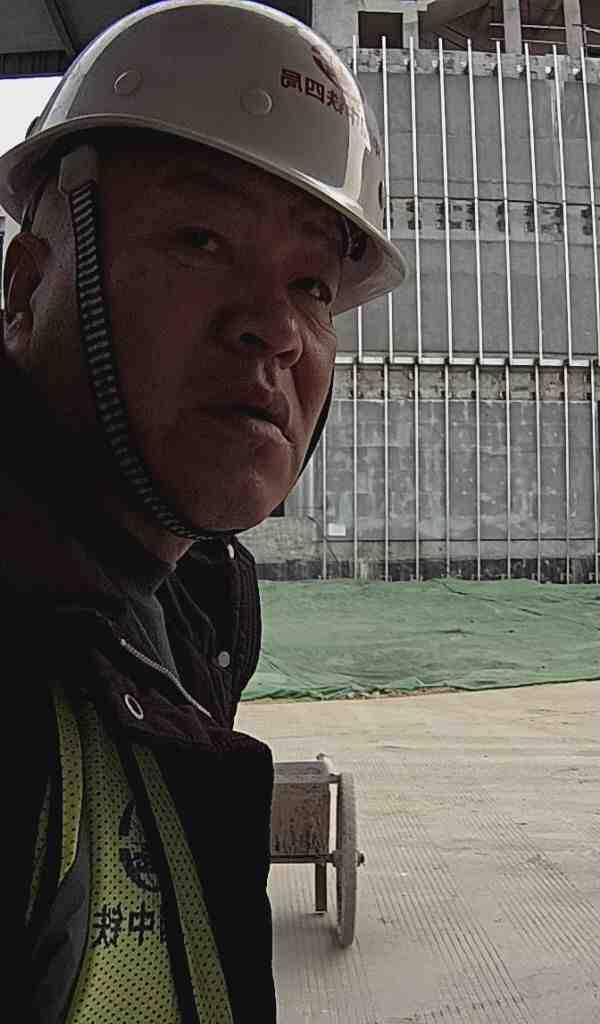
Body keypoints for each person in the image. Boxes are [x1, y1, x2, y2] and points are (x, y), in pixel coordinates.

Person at [2, 2, 406, 1021]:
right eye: (201, 238)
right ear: (25, 290)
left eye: (313, 284)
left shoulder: (174, 615)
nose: (276, 328)